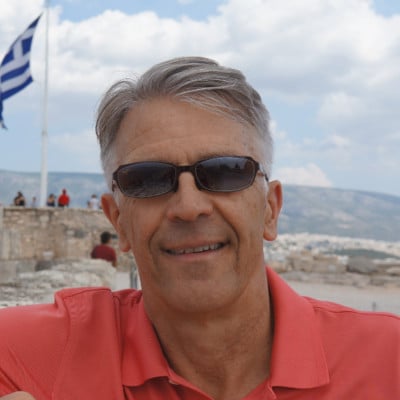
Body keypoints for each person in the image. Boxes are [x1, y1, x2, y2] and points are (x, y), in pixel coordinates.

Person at [0, 57, 399, 400]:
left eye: (225, 172)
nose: (189, 208)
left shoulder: (387, 361)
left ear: (270, 209)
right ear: (118, 220)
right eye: (148, 179)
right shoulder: (20, 360)